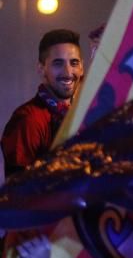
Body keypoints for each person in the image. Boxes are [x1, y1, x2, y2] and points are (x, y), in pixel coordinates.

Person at [2, 29, 85, 177]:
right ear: (41, 69)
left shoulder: (83, 113)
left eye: (74, 63)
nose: (68, 72)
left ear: (81, 68)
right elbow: (18, 191)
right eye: (58, 64)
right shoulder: (28, 119)